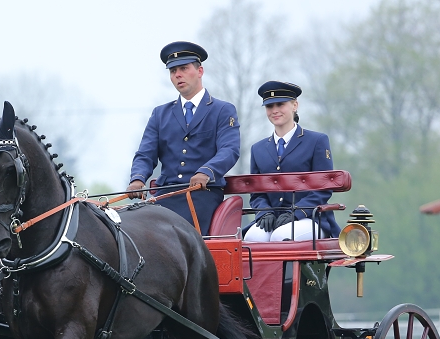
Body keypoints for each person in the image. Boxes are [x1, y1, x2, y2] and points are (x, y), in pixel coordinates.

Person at [127, 41, 240, 236]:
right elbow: (145, 153)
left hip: (202, 195)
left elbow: (229, 150)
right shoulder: (160, 113)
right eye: (172, 71)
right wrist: (137, 179)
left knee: (181, 236)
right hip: (165, 194)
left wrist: (206, 172)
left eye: (183, 68)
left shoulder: (223, 110)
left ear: (200, 71)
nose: (177, 75)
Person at [243, 81, 341, 242]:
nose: (274, 111)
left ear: (295, 105)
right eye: (269, 106)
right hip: (273, 218)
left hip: (310, 217)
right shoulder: (257, 149)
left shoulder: (317, 141)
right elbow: (257, 193)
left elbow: (323, 189)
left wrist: (297, 213)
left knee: (281, 236)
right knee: (253, 237)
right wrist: (264, 212)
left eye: (280, 105)